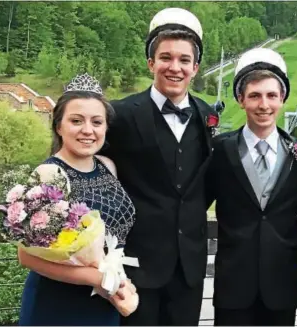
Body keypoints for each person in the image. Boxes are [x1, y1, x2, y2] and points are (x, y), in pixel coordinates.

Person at [100, 8, 218, 326]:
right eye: (166, 57)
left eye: (184, 60)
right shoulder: (119, 115)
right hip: (135, 267)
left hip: (189, 269)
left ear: (195, 67)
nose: (174, 67)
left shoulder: (208, 116)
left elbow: (202, 187)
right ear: (151, 62)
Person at [18, 73, 137, 326]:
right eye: (76, 120)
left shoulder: (108, 166)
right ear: (59, 126)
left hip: (106, 297)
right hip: (58, 302)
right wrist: (96, 278)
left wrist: (114, 278)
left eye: (97, 122)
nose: (88, 130)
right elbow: (26, 256)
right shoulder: (49, 174)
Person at [205, 48, 297, 326]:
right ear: (241, 100)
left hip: (281, 285)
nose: (263, 104)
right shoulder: (220, 150)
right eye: (254, 96)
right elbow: (195, 204)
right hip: (233, 286)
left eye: (271, 96)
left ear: (282, 99)